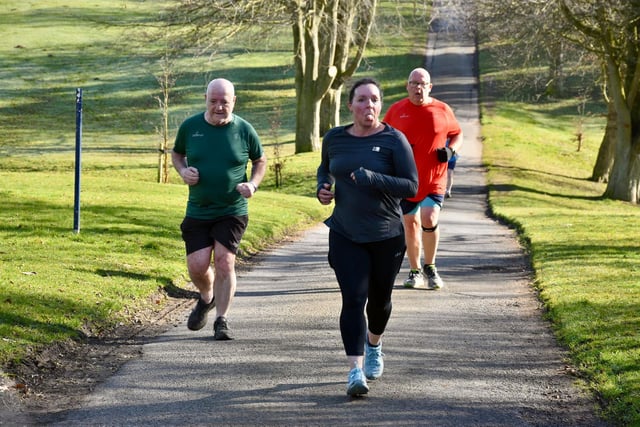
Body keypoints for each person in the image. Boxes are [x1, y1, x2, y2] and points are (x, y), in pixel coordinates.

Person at [316, 78, 418, 396]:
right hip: (345, 232)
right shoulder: (335, 138)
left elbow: (411, 186)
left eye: (374, 99)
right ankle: (355, 371)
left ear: (380, 105)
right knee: (353, 300)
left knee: (379, 302)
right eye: (361, 100)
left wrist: (375, 178)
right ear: (350, 105)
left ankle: (374, 345)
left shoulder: (394, 140)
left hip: (386, 235)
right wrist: (323, 187)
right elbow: (325, 169)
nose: (368, 105)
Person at [171, 78, 267, 340]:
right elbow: (177, 154)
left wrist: (253, 184)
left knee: (225, 262)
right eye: (213, 101)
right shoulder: (191, 127)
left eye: (224, 102)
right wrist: (183, 171)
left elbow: (260, 160)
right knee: (197, 266)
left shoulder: (244, 129)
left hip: (232, 209)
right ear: (206, 99)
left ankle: (221, 320)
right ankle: (206, 296)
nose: (219, 107)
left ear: (233, 101)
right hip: (199, 209)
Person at [384, 67, 463, 290]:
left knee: (428, 218)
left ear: (430, 87)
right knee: (410, 224)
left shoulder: (442, 109)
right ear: (407, 86)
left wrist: (451, 151)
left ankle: (431, 266)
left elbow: (457, 133)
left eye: (422, 84)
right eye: (414, 83)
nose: (418, 88)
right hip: (406, 180)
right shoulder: (396, 110)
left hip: (434, 178)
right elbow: (383, 135)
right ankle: (415, 270)